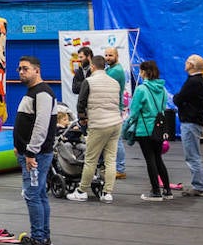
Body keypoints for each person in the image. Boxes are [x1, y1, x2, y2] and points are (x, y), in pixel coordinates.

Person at [13, 55, 57, 245]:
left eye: (25, 69)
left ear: (36, 70)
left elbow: (41, 125)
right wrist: (20, 146)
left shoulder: (43, 93)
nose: (21, 72)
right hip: (30, 153)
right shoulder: (32, 92)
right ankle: (44, 237)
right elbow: (27, 123)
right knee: (39, 195)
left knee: (32, 195)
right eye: (19, 69)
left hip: (36, 155)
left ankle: (38, 240)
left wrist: (30, 152)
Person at [68, 54, 122, 202]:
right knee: (110, 160)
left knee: (91, 159)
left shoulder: (89, 81)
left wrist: (82, 118)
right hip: (116, 123)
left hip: (98, 124)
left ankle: (81, 191)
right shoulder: (114, 82)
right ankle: (107, 193)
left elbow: (81, 103)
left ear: (92, 67)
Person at [129, 60, 173, 201]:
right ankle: (167, 190)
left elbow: (134, 111)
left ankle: (155, 191)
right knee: (158, 158)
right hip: (159, 128)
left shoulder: (141, 89)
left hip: (145, 128)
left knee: (150, 159)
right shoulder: (162, 89)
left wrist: (128, 124)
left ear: (143, 72)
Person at [172, 54, 203, 196]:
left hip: (191, 121)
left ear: (192, 65)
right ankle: (200, 184)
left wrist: (177, 98)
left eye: (187, 62)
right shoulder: (196, 81)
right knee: (193, 154)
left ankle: (199, 186)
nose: (185, 63)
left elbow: (179, 98)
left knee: (192, 155)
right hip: (194, 121)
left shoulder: (193, 82)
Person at [104, 47, 130, 177]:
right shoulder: (110, 69)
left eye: (110, 55)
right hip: (111, 107)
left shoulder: (116, 71)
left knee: (116, 140)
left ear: (117, 56)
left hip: (114, 108)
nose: (108, 57)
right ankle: (117, 167)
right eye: (106, 55)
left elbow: (102, 82)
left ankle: (120, 169)